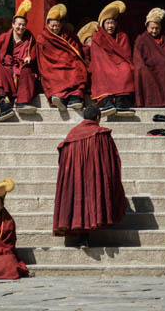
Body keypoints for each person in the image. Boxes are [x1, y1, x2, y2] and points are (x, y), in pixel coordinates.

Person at [53, 103, 126, 248]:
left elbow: (62, 160)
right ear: (98, 117)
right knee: (92, 197)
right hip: (94, 176)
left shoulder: (71, 136)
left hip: (74, 178)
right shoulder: (101, 134)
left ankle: (81, 235)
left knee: (79, 200)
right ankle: (89, 228)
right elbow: (112, 160)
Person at [0, 0, 39, 121]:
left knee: (27, 71)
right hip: (7, 64)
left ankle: (22, 102)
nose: (21, 27)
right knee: (2, 71)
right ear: (12, 24)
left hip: (22, 64)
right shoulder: (4, 37)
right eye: (18, 24)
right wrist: (0, 62)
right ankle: (4, 103)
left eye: (23, 25)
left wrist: (30, 57)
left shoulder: (30, 38)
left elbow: (33, 52)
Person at [37, 4, 88, 111]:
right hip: (51, 65)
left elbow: (76, 50)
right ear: (47, 24)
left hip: (69, 63)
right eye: (53, 26)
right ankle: (60, 97)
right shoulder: (42, 38)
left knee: (77, 69)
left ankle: (75, 97)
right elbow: (42, 58)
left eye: (57, 26)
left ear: (62, 24)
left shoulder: (69, 35)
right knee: (54, 74)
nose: (55, 28)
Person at [90, 1, 135, 116]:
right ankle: (108, 102)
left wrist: (122, 64)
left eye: (112, 23)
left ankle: (121, 102)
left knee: (126, 70)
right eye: (107, 23)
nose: (110, 26)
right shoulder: (97, 37)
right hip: (103, 65)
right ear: (103, 24)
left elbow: (126, 54)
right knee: (102, 71)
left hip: (119, 63)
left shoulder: (122, 36)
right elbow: (98, 58)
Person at [133, 8, 165, 108]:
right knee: (142, 72)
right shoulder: (141, 39)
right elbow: (137, 59)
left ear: (161, 27)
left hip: (164, 68)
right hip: (149, 68)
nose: (154, 31)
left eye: (157, 28)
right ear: (147, 27)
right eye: (152, 28)